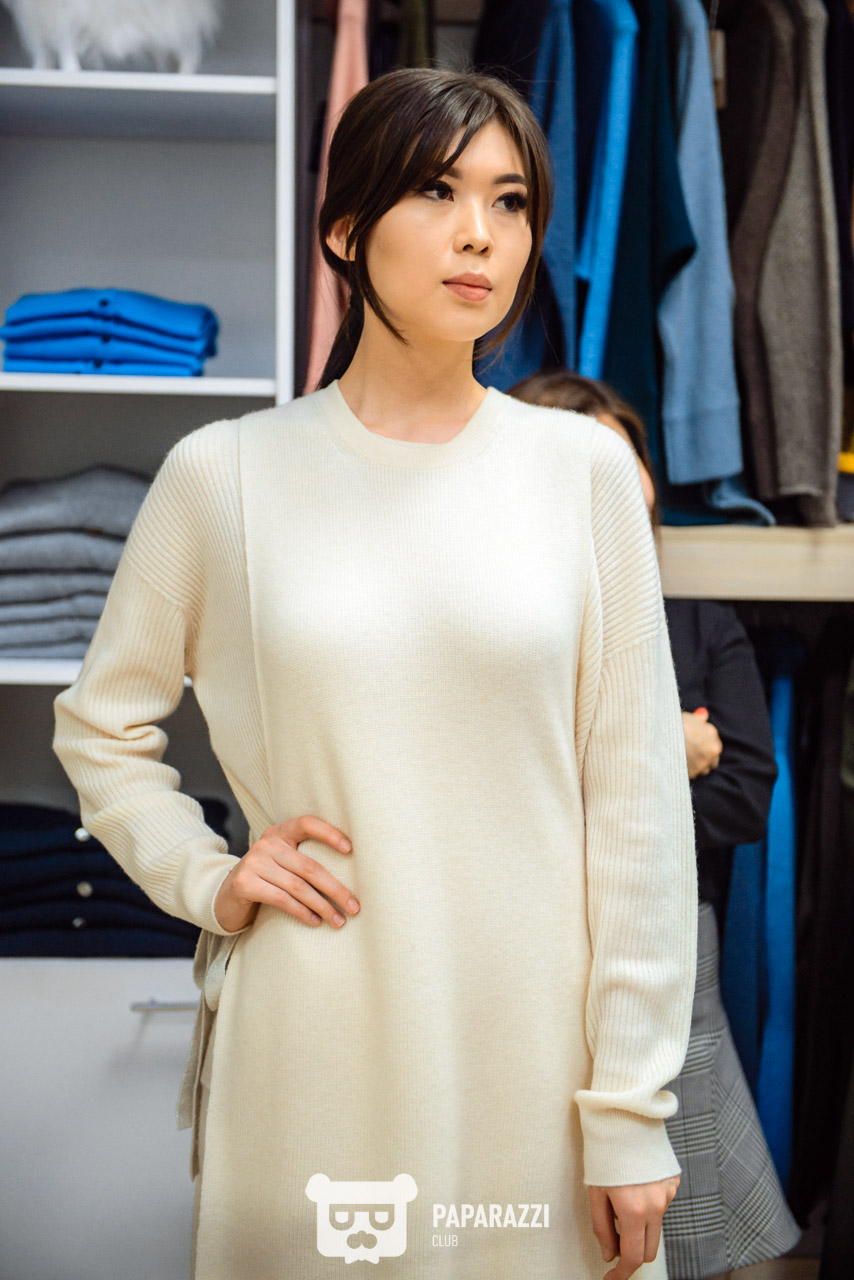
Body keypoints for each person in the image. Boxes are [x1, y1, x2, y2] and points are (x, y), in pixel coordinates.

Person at [52, 68, 698, 1280]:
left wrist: (629, 1108)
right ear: (346, 230)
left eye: (510, 201)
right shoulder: (225, 474)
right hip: (313, 1036)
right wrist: (209, 874)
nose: (479, 233)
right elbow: (101, 726)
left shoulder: (582, 473)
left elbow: (638, 810)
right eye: (438, 191)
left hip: (534, 1058)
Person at [508, 368, 802, 1278]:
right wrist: (664, 741)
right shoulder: (501, 628)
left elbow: (744, 790)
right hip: (529, 951)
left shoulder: (696, 620)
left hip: (669, 947)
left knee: (672, 1226)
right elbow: (495, 790)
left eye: (633, 481)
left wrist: (600, 787)